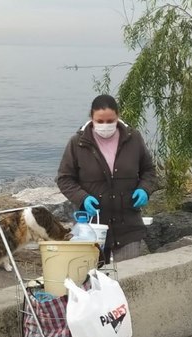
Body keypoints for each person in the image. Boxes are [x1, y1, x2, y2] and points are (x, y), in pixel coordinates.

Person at [57, 94, 158, 262]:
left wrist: (144, 190)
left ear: (118, 116)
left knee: (128, 277)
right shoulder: (77, 143)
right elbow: (64, 179)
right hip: (91, 228)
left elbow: (149, 171)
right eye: (100, 121)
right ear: (91, 117)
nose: (105, 125)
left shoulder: (134, 139)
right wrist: (83, 198)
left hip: (128, 225)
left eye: (110, 121)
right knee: (90, 279)